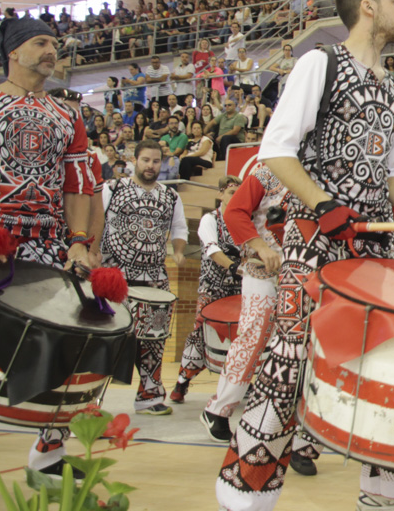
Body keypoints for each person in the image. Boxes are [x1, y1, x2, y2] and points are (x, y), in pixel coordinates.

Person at [214, 0, 394, 511]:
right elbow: (277, 151)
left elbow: (390, 168)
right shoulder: (319, 63)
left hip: (375, 248)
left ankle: (388, 492)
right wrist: (323, 204)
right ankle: (243, 498)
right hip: (314, 241)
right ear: (368, 8)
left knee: (388, 364)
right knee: (289, 363)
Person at [0, 16, 96, 479]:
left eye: (54, 43)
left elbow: (78, 184)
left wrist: (79, 243)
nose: (51, 50)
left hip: (51, 245)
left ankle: (49, 454)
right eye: (40, 42)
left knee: (68, 345)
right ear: (13, 52)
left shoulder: (69, 114)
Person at [199, 165, 291, 443]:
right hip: (262, 269)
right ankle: (218, 409)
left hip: (302, 273)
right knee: (253, 335)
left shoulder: (321, 170)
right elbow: (235, 210)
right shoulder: (269, 171)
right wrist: (260, 246)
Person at [99, 140, 189, 416]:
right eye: (145, 160)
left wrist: (178, 251)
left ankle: (149, 397)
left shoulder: (170, 196)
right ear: (134, 161)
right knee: (107, 338)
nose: (150, 166)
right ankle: (91, 401)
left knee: (154, 340)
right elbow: (96, 221)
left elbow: (179, 227)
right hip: (114, 275)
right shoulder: (112, 188)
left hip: (155, 277)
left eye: (155, 161)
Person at [171, 176, 243, 403]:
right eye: (232, 193)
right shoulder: (209, 220)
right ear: (220, 194)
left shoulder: (245, 222)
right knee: (198, 335)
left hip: (240, 291)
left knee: (243, 336)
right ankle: (182, 382)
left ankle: (240, 383)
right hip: (212, 290)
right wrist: (233, 266)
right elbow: (212, 249)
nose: (236, 198)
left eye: (240, 195)